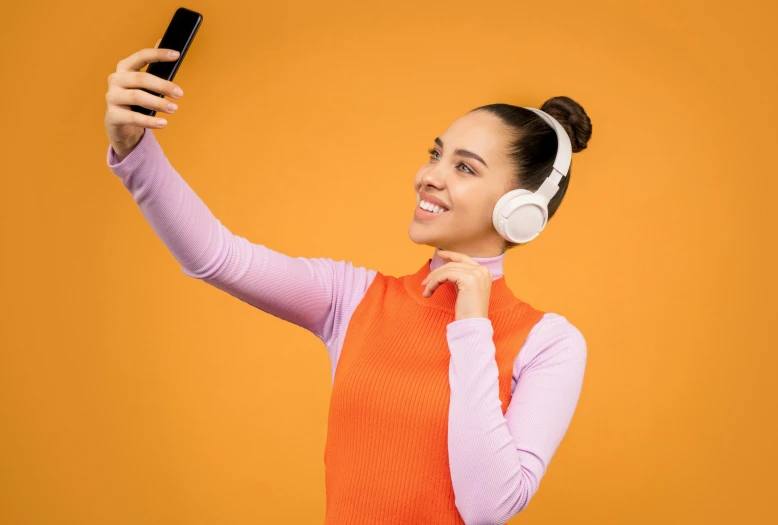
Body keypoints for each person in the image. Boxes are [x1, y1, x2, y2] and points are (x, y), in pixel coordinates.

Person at [104, 43, 592, 525]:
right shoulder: (353, 298)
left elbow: (487, 508)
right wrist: (135, 150)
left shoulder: (549, 345)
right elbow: (217, 257)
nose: (428, 176)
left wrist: (471, 329)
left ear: (520, 211)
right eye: (435, 154)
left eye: (464, 167)